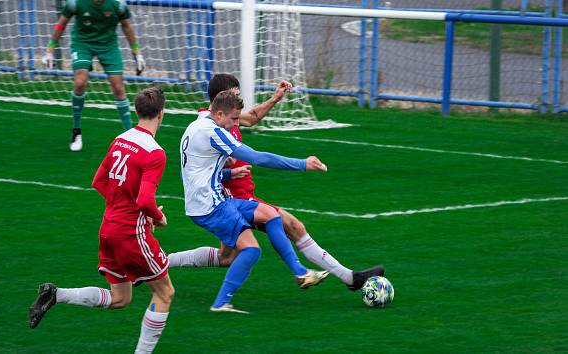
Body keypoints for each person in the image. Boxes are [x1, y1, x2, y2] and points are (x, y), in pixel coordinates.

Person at [169, 74, 384, 292]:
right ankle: (339, 277)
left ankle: (161, 263)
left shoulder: (225, 118)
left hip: (234, 193)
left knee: (227, 257)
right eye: (235, 95)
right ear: (221, 101)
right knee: (291, 225)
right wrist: (302, 163)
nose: (239, 105)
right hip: (232, 197)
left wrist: (275, 99)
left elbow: (251, 117)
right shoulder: (212, 127)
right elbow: (250, 158)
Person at [29, 87, 173, 354]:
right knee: (165, 293)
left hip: (108, 229)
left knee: (120, 298)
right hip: (131, 234)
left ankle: (56, 294)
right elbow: (144, 201)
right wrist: (158, 216)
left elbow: (98, 181)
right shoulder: (155, 152)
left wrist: (126, 207)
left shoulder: (121, 139)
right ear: (161, 114)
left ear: (136, 111)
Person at [180, 90, 330, 313]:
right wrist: (302, 164)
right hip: (210, 207)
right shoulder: (213, 131)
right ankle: (221, 304)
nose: (236, 124)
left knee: (271, 214)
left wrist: (230, 174)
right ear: (219, 113)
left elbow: (197, 170)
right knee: (250, 250)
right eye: (234, 119)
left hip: (211, 200)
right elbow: (259, 158)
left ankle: (301, 272)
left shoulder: (197, 125)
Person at [42, 0, 146, 151]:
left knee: (118, 87)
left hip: (108, 46)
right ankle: (76, 131)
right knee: (80, 82)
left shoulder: (118, 5)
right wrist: (50, 50)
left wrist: (137, 53)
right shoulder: (75, 4)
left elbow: (127, 27)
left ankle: (129, 137)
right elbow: (61, 23)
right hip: (82, 43)